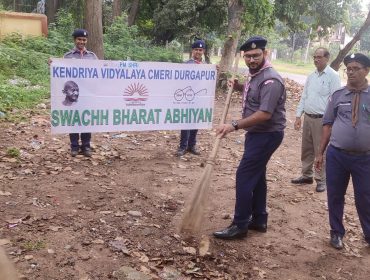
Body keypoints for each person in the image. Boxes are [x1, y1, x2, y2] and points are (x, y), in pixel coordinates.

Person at [213, 36, 286, 240]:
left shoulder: (271, 79)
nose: (252, 60)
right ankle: (259, 219)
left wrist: (233, 125)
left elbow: (264, 113)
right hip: (258, 134)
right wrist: (238, 86)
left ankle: (240, 224)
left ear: (266, 53)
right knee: (257, 176)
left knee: (244, 176)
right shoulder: (256, 74)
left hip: (266, 135)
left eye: (256, 56)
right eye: (248, 57)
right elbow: (253, 91)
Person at [315, 53, 370, 250]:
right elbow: (327, 125)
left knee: (365, 197)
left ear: (367, 71)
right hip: (337, 155)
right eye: (349, 69)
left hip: (365, 158)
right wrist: (320, 153)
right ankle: (336, 232)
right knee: (335, 195)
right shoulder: (338, 95)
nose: (351, 72)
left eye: (356, 68)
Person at [292, 48, 341, 192]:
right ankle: (306, 175)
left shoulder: (333, 76)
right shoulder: (311, 76)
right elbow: (304, 96)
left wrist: (331, 122)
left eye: (319, 57)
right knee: (306, 149)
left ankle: (321, 180)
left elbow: (335, 100)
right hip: (308, 117)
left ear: (327, 58)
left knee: (320, 150)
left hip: (322, 120)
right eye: (314, 57)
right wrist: (298, 115)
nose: (316, 59)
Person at [63, 29, 98, 157]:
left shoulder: (92, 56)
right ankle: (74, 147)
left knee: (86, 120)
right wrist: (52, 64)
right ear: (75, 40)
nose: (81, 42)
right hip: (73, 95)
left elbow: (99, 73)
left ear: (86, 41)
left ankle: (86, 147)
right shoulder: (67, 56)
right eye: (79, 39)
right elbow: (60, 74)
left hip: (88, 94)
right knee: (73, 119)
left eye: (84, 40)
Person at [176, 39, 206, 157]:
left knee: (195, 122)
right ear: (192, 51)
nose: (198, 52)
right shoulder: (186, 64)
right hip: (187, 97)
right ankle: (183, 146)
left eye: (200, 50)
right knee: (186, 122)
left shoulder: (206, 66)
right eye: (196, 49)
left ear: (203, 51)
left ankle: (192, 145)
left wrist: (215, 71)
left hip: (200, 98)